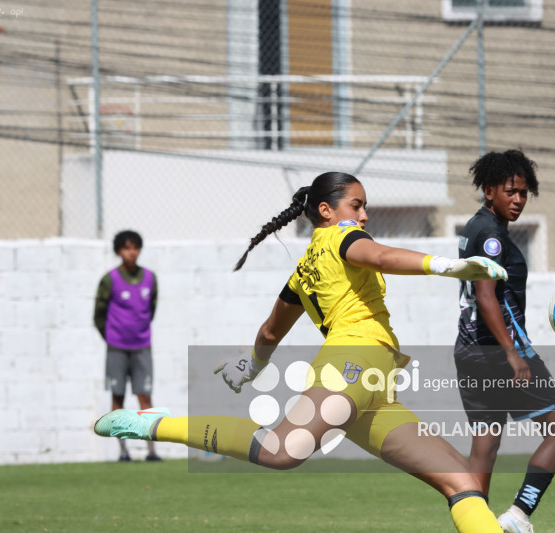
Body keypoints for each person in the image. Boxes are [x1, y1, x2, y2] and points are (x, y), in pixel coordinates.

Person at [94, 172, 509, 532]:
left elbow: (271, 330)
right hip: (351, 367)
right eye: (356, 205)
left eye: (364, 207)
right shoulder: (343, 235)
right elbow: (381, 257)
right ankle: (156, 424)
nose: (364, 215)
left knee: (463, 482)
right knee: (280, 451)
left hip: (375, 385)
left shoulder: (304, 270)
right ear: (326, 211)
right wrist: (447, 266)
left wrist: (252, 364)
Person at [454, 150, 555, 533]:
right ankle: (518, 515)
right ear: (489, 191)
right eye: (510, 191)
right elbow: (486, 295)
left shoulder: (475, 226)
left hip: (469, 350)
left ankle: (476, 527)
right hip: (502, 351)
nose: (518, 200)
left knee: (485, 446)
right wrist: (511, 353)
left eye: (523, 193)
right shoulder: (492, 235)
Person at [93, 230, 161, 462]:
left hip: (142, 347)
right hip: (117, 349)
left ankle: (151, 450)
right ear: (118, 251)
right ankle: (123, 450)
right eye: (126, 248)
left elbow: (151, 310)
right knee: (118, 397)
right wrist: (113, 337)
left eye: (135, 247)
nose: (131, 252)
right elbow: (98, 315)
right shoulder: (109, 279)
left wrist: (138, 332)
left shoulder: (150, 278)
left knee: (145, 397)